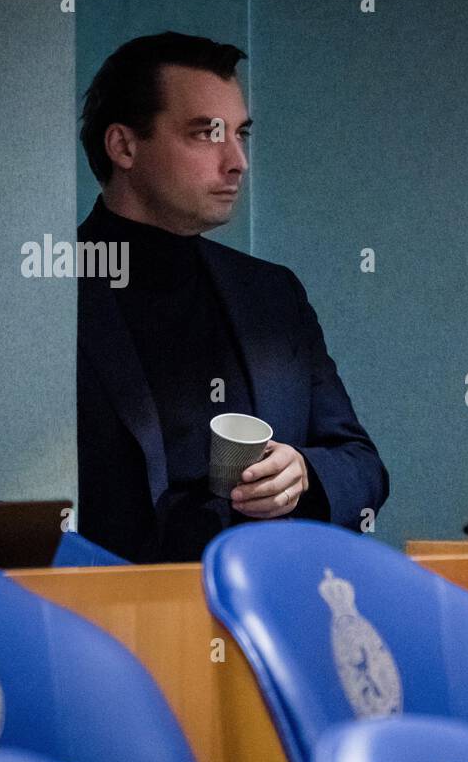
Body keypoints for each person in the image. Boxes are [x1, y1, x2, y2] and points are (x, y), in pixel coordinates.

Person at [76, 32, 388, 563]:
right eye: (207, 134)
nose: (237, 160)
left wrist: (304, 475)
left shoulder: (271, 293)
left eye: (241, 134)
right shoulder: (43, 301)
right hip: (101, 619)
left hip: (264, 613)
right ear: (124, 146)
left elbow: (362, 465)